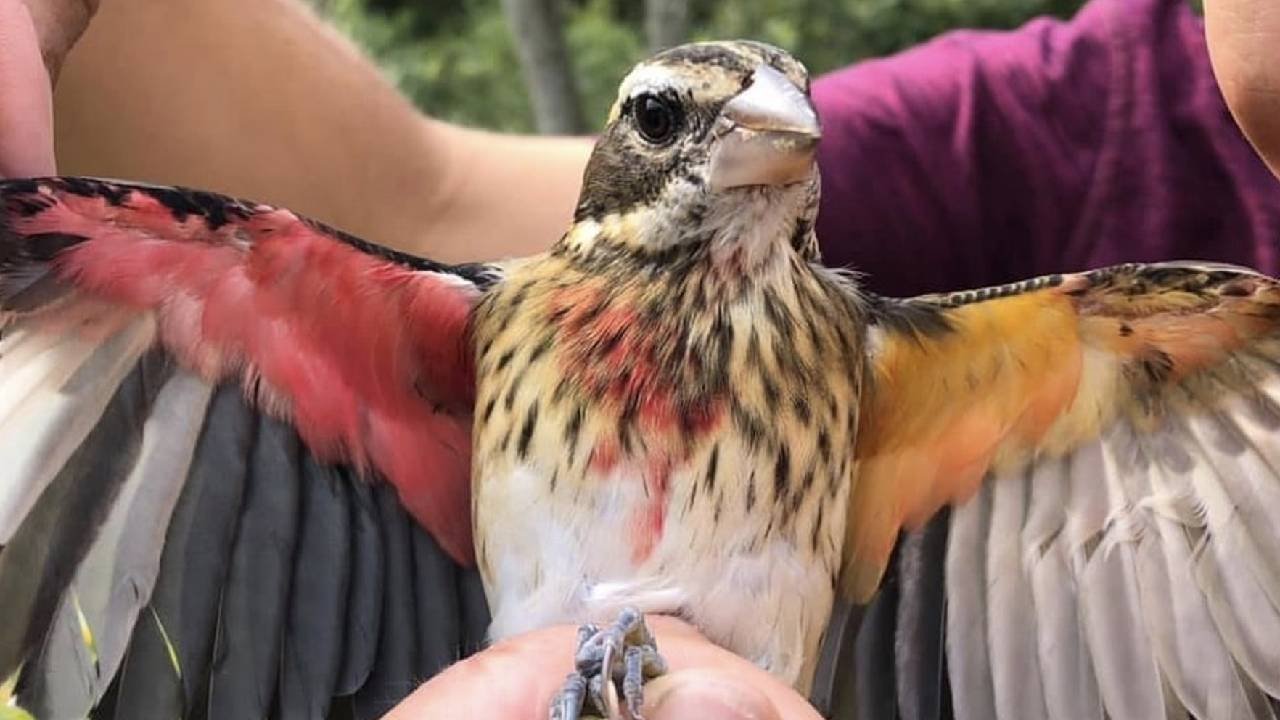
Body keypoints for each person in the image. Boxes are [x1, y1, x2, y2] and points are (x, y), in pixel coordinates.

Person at [1, 0, 1278, 717]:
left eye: (783, 116)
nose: (768, 129)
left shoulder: (940, 365)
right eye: (670, 121)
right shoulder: (464, 331)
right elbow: (416, 192)